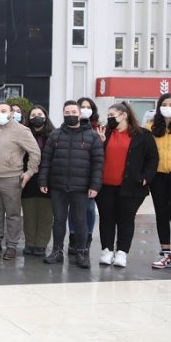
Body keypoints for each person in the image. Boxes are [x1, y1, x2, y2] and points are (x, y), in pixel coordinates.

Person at [39, 100, 104, 268]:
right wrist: (43, 181)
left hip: (81, 188)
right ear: (63, 114)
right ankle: (57, 251)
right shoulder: (55, 134)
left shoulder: (92, 136)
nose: (70, 115)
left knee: (80, 220)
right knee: (59, 220)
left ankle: (81, 253)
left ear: (80, 114)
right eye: (66, 113)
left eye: (73, 112)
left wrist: (94, 186)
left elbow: (98, 164)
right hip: (58, 186)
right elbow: (46, 160)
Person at [97, 103, 158, 267]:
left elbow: (153, 158)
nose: (109, 118)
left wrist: (147, 177)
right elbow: (95, 155)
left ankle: (122, 252)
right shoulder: (104, 133)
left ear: (124, 115)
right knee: (106, 218)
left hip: (132, 186)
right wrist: (100, 142)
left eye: (112, 115)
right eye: (108, 115)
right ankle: (107, 250)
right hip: (105, 186)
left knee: (126, 219)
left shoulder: (143, 135)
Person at [0, 102, 40, 260]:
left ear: (11, 113)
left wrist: (29, 172)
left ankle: (12, 246)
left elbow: (35, 152)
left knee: (13, 214)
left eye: (3, 111)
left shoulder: (21, 131)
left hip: (11, 179)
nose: (0, 113)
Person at [147, 93, 171, 272]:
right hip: (158, 177)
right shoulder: (151, 127)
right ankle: (165, 253)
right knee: (161, 215)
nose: (168, 107)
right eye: (164, 104)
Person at [68, 96, 101, 255]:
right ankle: (73, 238)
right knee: (72, 209)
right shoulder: (71, 127)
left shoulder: (99, 129)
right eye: (82, 107)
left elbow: (100, 158)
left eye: (88, 107)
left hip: (90, 177)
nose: (85, 110)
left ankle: (86, 238)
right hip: (73, 175)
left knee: (88, 208)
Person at [21, 106, 54, 257]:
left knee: (45, 214)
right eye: (33, 115)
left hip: (47, 179)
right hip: (27, 178)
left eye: (39, 114)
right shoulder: (23, 134)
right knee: (29, 213)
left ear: (45, 117)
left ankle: (41, 244)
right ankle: (30, 242)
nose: (36, 117)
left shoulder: (53, 135)